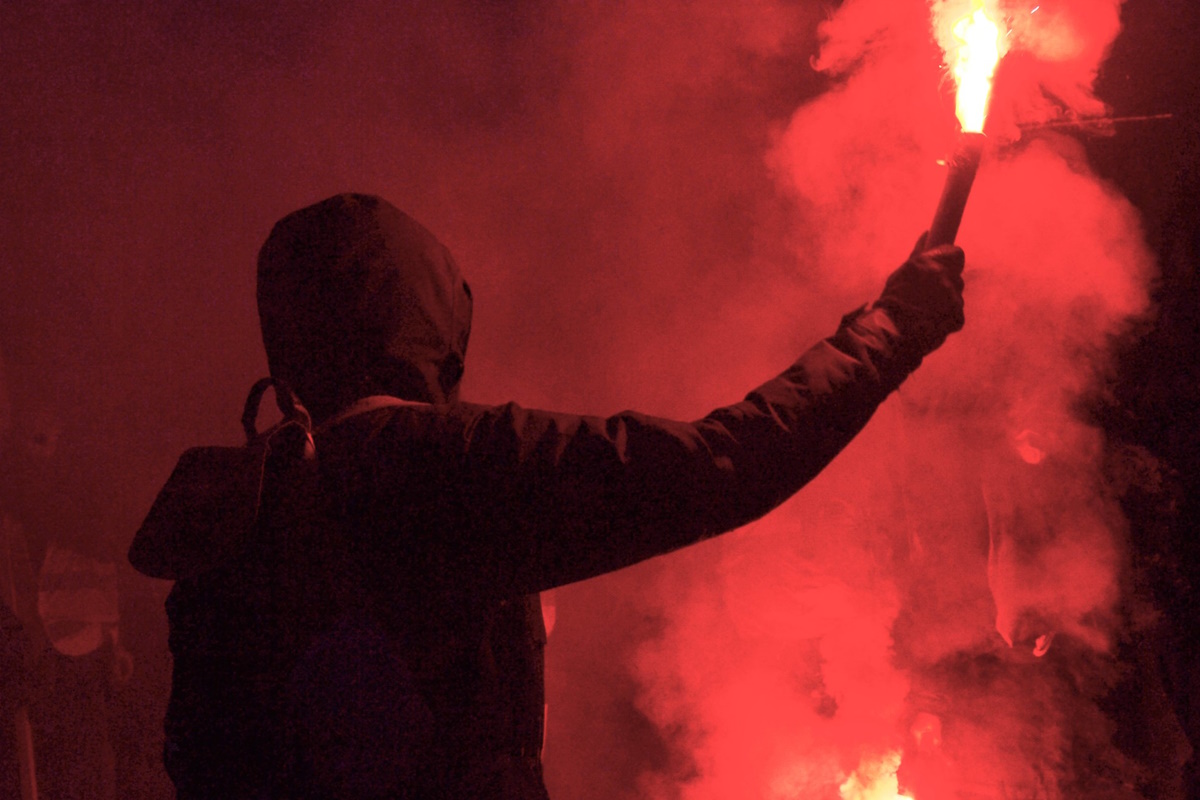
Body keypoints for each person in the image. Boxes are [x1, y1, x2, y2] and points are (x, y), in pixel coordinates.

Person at [131, 193, 965, 799]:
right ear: (424, 318)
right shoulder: (452, 469)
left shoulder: (237, 514)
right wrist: (892, 327)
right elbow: (725, 463)